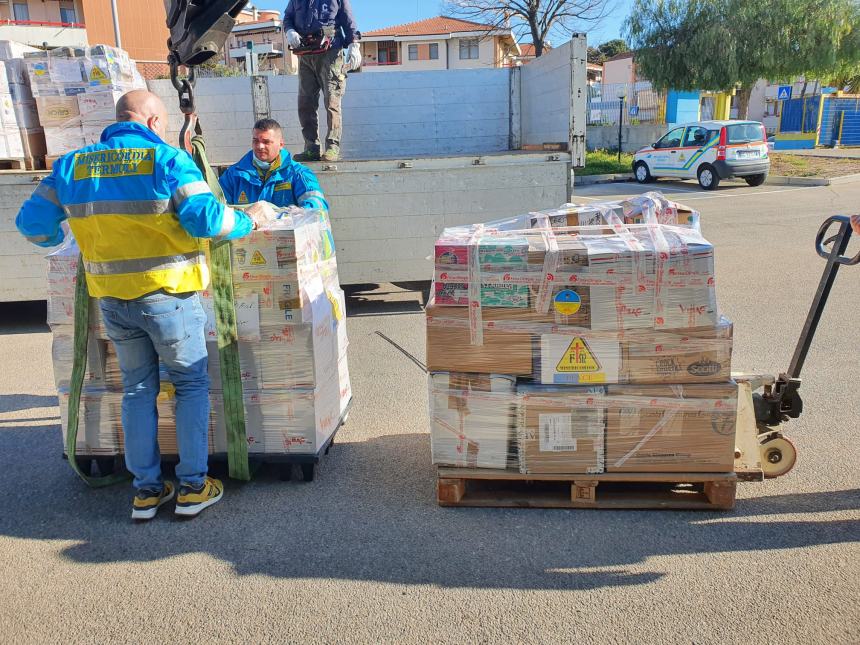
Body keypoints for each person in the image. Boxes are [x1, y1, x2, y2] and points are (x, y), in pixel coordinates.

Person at [15, 90, 271, 521]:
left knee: (137, 390)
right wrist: (250, 220)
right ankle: (192, 488)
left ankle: (146, 492)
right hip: (169, 297)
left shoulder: (72, 165)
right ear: (152, 121)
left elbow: (32, 225)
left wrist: (64, 240)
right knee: (189, 386)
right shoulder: (166, 160)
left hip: (113, 301)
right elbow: (207, 221)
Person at [284, 0, 361, 162]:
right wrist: (290, 30)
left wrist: (354, 44)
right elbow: (288, 17)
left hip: (330, 52)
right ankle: (311, 147)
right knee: (305, 103)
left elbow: (348, 19)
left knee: (332, 101)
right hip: (305, 53)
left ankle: (332, 146)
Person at [219, 118, 329, 212]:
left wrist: (292, 215)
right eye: (255, 141)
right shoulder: (233, 175)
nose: (260, 146)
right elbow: (218, 210)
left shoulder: (298, 174)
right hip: (248, 236)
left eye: (266, 142)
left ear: (281, 144)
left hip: (286, 235)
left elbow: (317, 206)